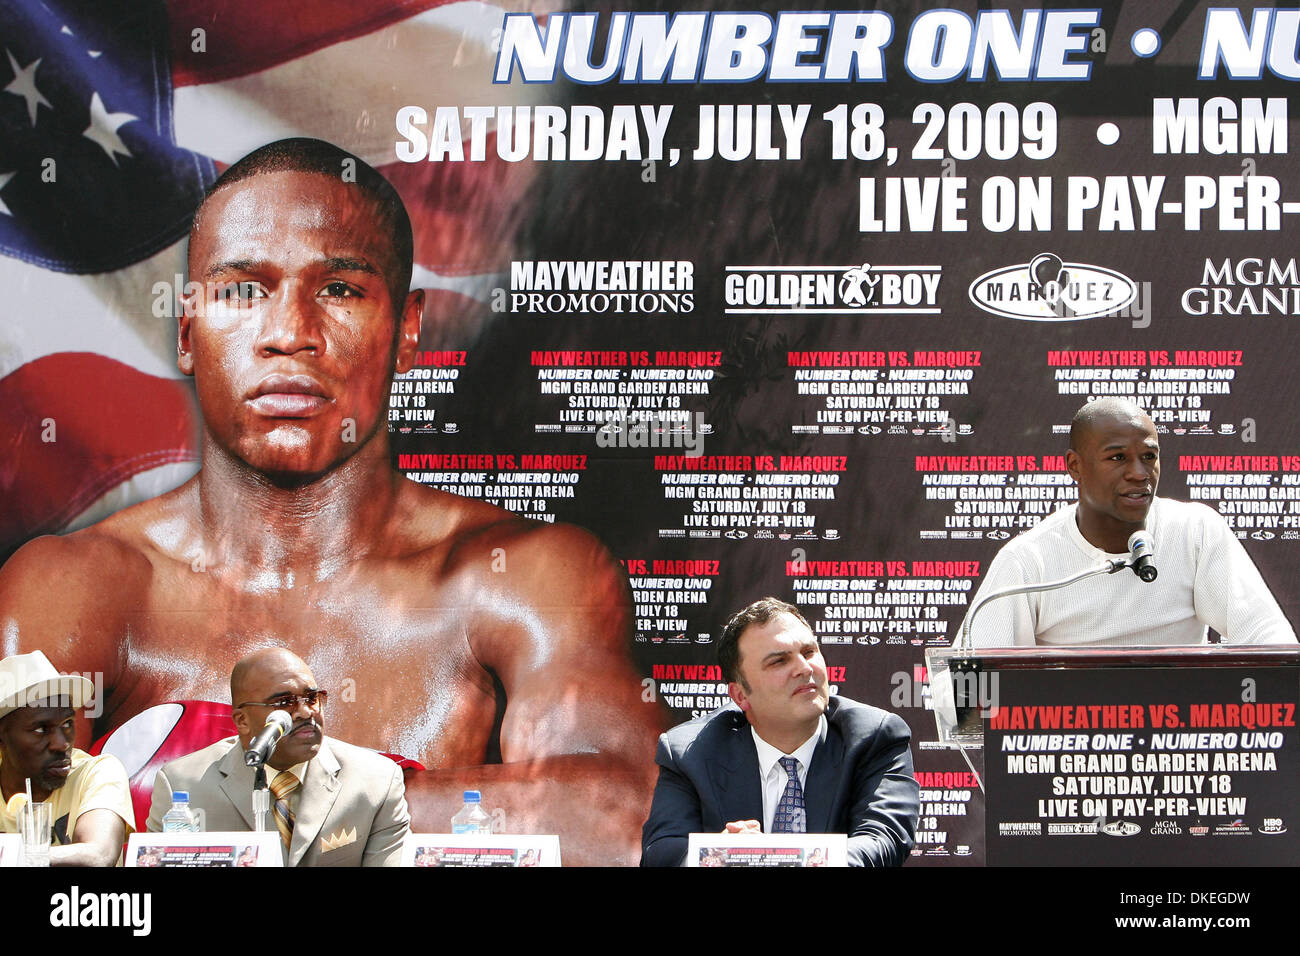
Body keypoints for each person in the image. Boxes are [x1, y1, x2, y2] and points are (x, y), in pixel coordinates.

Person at [0, 138, 664, 865]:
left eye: (340, 289)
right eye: (243, 290)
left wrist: (225, 803)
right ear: (188, 330)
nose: (290, 334)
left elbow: (624, 818)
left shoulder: (516, 574)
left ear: (407, 331)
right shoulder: (84, 582)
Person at [962, 397, 1297, 646]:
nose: (1139, 474)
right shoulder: (1028, 559)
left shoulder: (1195, 531)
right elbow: (964, 693)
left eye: (1149, 457)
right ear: (1075, 466)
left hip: (1181, 733)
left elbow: (1268, 638)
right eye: (1118, 457)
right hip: (1069, 735)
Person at [641, 598, 919, 867]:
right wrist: (719, 854)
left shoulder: (874, 737)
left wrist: (762, 856)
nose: (804, 668)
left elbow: (882, 844)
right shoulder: (690, 752)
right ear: (741, 695)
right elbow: (661, 853)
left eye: (809, 652)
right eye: (779, 661)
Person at [145, 648, 409, 867]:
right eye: (284, 703)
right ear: (242, 720)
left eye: (311, 698)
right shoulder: (182, 784)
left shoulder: (377, 781)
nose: (305, 712)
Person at [0, 651, 134, 866]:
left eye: (67, 724)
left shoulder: (97, 772)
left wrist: (14, 856)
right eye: (41, 729)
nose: (61, 744)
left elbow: (99, 856)